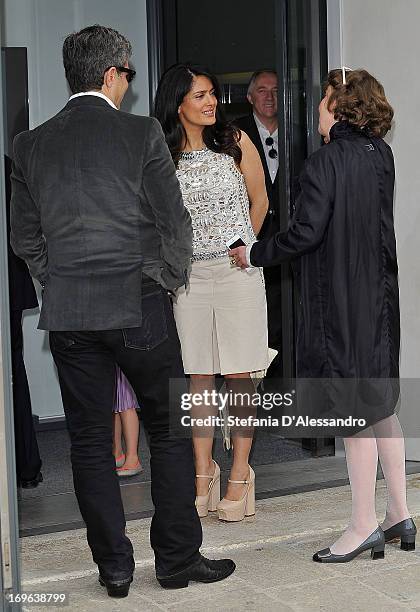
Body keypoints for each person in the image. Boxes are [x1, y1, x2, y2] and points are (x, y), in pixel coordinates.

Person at [10, 25, 235, 597]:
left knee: (88, 441)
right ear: (110, 74)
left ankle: (114, 569)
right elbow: (173, 221)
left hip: (70, 315)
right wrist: (166, 280)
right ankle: (177, 560)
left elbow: (24, 235)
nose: (129, 83)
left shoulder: (30, 144)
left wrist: (53, 279)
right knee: (171, 429)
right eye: (128, 73)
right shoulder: (140, 134)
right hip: (140, 305)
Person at [231, 68, 416, 561]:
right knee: (380, 404)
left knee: (355, 411)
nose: (316, 109)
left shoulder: (324, 162)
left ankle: (362, 526)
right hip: (378, 297)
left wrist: (254, 253)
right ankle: (400, 514)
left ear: (339, 106)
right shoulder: (382, 154)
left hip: (341, 301)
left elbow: (305, 234)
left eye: (322, 101)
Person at [154, 63, 270, 523]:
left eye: (211, 94)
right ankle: (203, 473)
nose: (210, 103)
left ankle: (240, 474)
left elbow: (260, 199)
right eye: (199, 96)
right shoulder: (162, 154)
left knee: (241, 377)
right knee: (198, 379)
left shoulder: (234, 140)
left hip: (237, 274)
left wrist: (248, 246)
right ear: (178, 102)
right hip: (190, 279)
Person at [235, 70, 283, 380]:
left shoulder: (298, 130)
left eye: (275, 90)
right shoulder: (234, 134)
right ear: (251, 98)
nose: (269, 96)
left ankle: (279, 384)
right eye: (262, 90)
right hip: (251, 241)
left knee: (282, 314)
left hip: (287, 242)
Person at [5, 154, 42, 488]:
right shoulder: (7, 165)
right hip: (10, 288)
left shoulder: (8, 165)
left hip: (9, 290)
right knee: (14, 374)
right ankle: (26, 468)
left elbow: (25, 231)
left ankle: (26, 466)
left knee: (14, 374)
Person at [113, 365, 142, 477]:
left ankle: (132, 458)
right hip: (105, 353)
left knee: (125, 401)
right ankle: (117, 454)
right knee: (112, 401)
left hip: (123, 353)